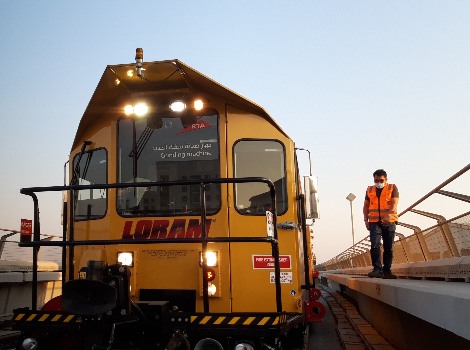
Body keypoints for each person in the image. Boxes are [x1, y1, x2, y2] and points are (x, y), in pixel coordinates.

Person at [363, 169, 399, 279]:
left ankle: (387, 271)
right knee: (375, 245)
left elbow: (394, 203)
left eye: (381, 180)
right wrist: (366, 219)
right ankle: (377, 269)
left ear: (386, 179)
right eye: (376, 180)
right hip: (374, 222)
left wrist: (389, 214)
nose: (378, 182)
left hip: (389, 221)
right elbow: (366, 206)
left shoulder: (392, 187)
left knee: (388, 247)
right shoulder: (370, 190)